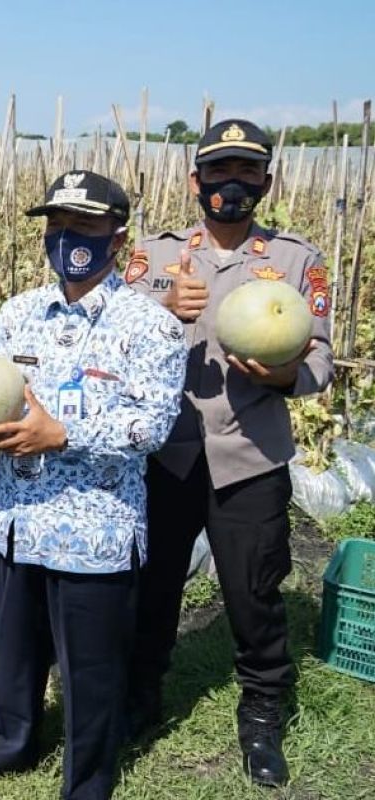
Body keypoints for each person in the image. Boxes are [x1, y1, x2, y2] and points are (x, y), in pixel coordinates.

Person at [0, 171, 187, 800]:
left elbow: (152, 425)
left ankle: (87, 780)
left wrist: (63, 433)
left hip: (95, 529)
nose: (67, 238)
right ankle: (11, 742)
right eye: (57, 225)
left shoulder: (151, 325)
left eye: (84, 225)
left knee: (91, 669)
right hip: (16, 518)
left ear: (117, 237)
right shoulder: (18, 312)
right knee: (16, 652)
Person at [125, 119, 334, 787]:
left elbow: (321, 360)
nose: (232, 185)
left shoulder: (298, 261)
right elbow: (108, 333)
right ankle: (141, 696)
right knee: (152, 586)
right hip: (166, 452)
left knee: (254, 592)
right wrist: (162, 306)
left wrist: (283, 377)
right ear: (196, 181)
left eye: (247, 173)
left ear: (266, 183)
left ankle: (264, 711)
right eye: (219, 172)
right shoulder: (153, 259)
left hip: (251, 453)